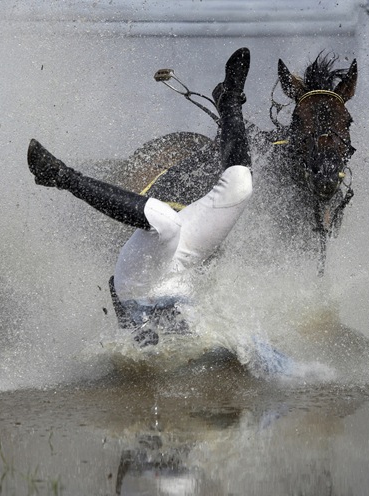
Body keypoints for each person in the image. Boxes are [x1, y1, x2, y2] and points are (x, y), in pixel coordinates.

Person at [27, 48, 252, 348]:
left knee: (239, 186)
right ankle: (60, 176)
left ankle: (227, 99)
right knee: (168, 223)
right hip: (142, 283)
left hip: (158, 272)